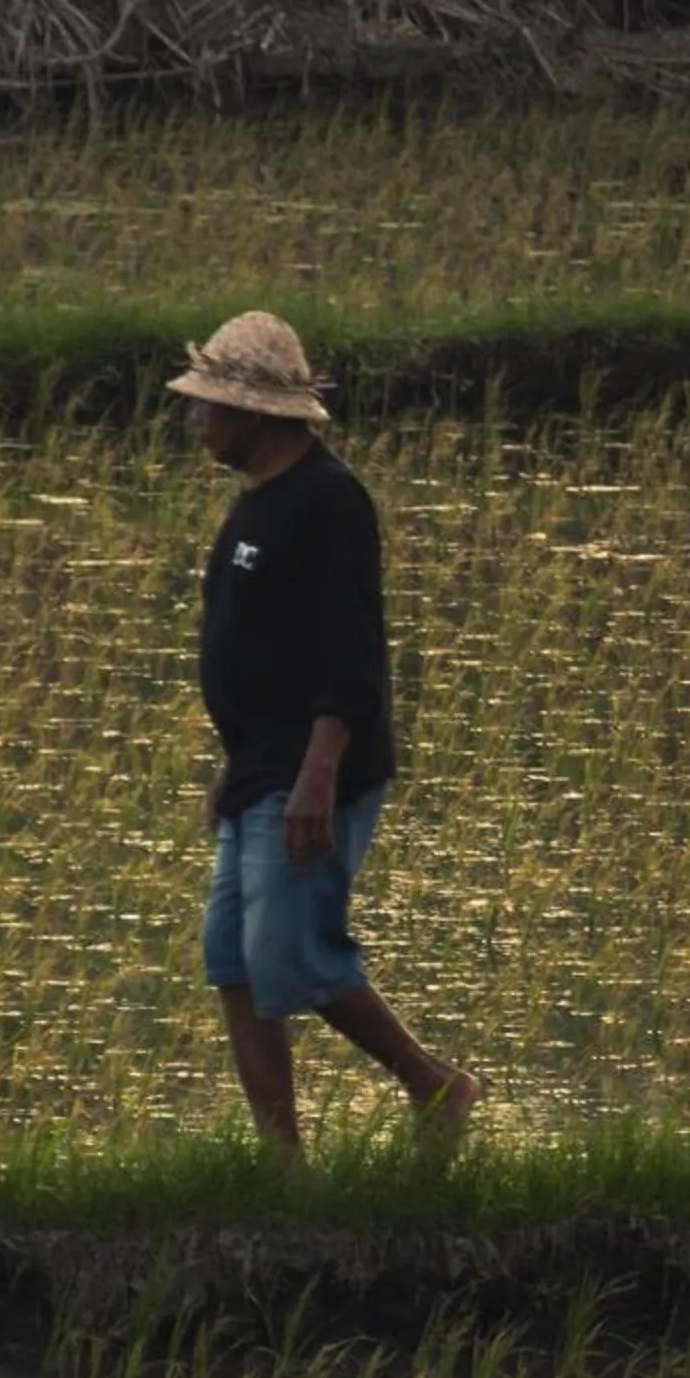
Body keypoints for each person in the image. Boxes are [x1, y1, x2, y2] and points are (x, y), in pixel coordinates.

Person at [169, 310, 484, 1154]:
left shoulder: (330, 502)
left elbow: (354, 656)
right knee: (233, 958)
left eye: (209, 403)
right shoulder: (254, 503)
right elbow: (257, 645)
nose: (196, 417)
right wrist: (234, 765)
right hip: (261, 765)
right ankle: (283, 1167)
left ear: (255, 412)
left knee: (289, 952)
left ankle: (436, 1086)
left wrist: (318, 773)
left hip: (310, 770)